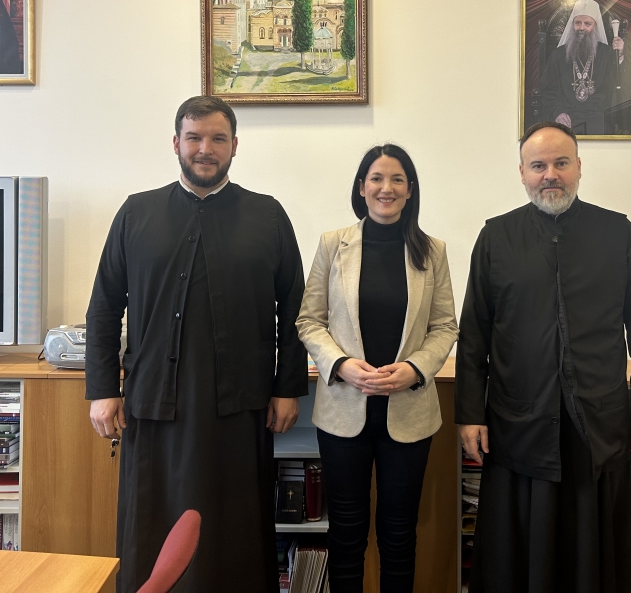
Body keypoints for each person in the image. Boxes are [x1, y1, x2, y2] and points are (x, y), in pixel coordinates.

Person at [85, 95, 308, 593]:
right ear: (176, 143)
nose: (205, 149)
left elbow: (296, 309)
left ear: (234, 146)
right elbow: (104, 306)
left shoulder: (268, 215)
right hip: (153, 406)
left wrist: (287, 387)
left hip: (239, 409)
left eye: (218, 139)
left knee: (235, 533)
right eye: (195, 138)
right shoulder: (136, 213)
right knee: (151, 531)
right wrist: (102, 389)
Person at [455, 121, 631, 593]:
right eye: (538, 165)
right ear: (522, 172)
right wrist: (470, 414)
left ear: (578, 168)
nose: (549, 174)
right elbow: (473, 336)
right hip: (519, 423)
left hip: (598, 422)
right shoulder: (496, 237)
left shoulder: (618, 233)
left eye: (560, 163)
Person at [297, 144, 459, 593]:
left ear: (410, 190)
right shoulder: (334, 244)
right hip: (343, 411)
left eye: (397, 179)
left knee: (399, 533)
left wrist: (415, 369)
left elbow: (445, 326)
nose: (386, 188)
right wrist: (341, 364)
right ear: (361, 187)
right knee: (346, 532)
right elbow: (309, 320)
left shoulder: (433, 251)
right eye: (376, 178)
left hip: (408, 412)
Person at [539, 0, 624, 135]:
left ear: (595, 26)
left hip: (598, 117)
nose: (582, 28)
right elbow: (548, 89)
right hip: (566, 117)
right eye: (578, 23)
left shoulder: (606, 53)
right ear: (572, 24)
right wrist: (558, 112)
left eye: (587, 24)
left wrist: (619, 55)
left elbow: (618, 84)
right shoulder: (558, 55)